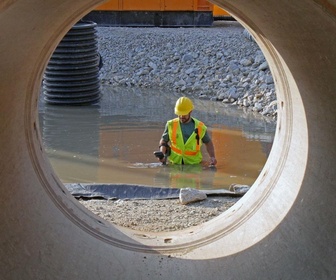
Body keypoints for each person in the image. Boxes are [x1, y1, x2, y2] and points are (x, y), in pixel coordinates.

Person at [158, 97, 217, 166]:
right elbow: (164, 141)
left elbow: (208, 142)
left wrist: (212, 157)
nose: (181, 116)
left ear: (190, 111)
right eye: (179, 114)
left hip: (194, 165)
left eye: (184, 114)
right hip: (174, 163)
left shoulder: (200, 127)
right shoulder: (171, 124)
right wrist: (161, 153)